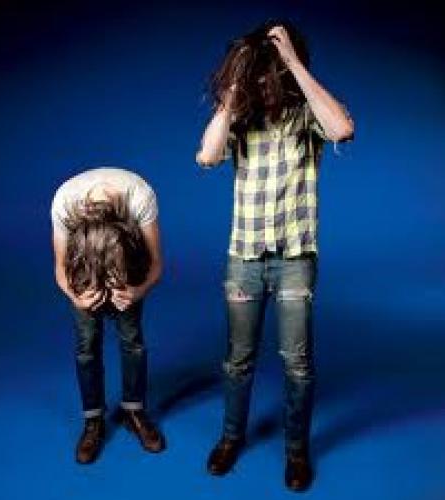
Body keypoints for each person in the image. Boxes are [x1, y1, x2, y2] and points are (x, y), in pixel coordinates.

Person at [196, 19, 354, 491]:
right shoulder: (240, 119)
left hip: (295, 260)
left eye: (272, 73)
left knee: (297, 364)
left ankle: (296, 451)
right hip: (244, 258)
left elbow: (342, 128)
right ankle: (231, 438)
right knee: (237, 361)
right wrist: (232, 90)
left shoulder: (306, 116)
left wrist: (295, 65)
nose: (265, 84)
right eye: (260, 75)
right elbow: (207, 156)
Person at [51, 167, 165, 464]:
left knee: (133, 342)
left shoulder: (140, 198)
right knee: (87, 345)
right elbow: (60, 269)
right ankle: (93, 421)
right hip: (84, 273)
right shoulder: (64, 202)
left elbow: (156, 265)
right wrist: (77, 296)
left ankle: (133, 411)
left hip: (128, 271)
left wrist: (136, 291)